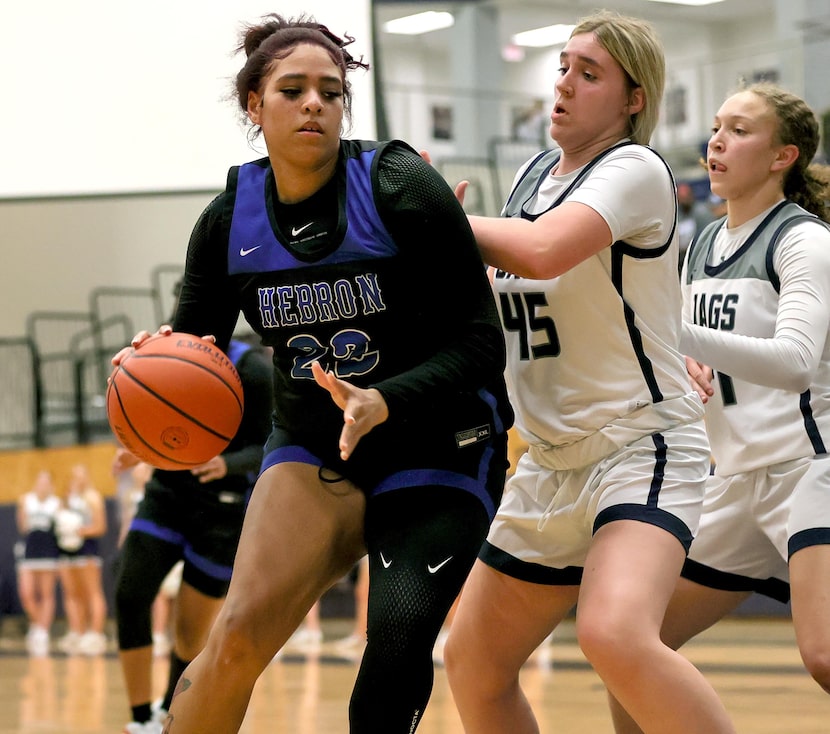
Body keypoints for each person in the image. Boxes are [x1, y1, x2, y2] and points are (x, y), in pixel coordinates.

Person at [113, 13, 512, 733]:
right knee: (234, 638)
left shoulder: (399, 185)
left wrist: (384, 400)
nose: (314, 104)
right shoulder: (229, 220)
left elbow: (483, 343)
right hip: (313, 444)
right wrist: (151, 371)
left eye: (330, 91)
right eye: (292, 90)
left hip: (438, 442)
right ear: (253, 105)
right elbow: (197, 350)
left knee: (393, 641)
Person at [439, 11, 735, 733]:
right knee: (471, 660)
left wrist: (425, 216)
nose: (565, 83)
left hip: (640, 446)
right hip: (549, 462)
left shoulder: (634, 168)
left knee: (614, 634)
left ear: (634, 100)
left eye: (589, 73)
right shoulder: (534, 175)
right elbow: (505, 285)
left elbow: (541, 252)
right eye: (563, 67)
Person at [608, 84, 830, 733]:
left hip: (809, 470)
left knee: (822, 655)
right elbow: (689, 347)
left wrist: (675, 335)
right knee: (630, 654)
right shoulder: (701, 241)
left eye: (739, 129)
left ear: (783, 154)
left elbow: (791, 361)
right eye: (715, 127)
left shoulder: (804, 242)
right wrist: (684, 357)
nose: (717, 141)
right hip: (731, 480)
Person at [114, 334, 274, 734]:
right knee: (129, 592)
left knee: (189, 636)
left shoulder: (254, 370)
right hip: (167, 494)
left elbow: (275, 440)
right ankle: (139, 720)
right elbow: (152, 412)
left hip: (221, 510)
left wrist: (230, 463)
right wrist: (140, 444)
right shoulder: (164, 349)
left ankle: (168, 715)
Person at [54, 463, 109, 656]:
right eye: (74, 476)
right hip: (66, 551)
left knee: (92, 591)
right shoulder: (65, 499)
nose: (77, 479)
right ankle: (77, 631)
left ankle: (95, 634)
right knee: (71, 593)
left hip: (87, 550)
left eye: (81, 475)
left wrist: (79, 531)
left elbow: (100, 526)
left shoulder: (92, 498)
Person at [15, 469, 61, 656]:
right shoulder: (26, 500)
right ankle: (37, 623)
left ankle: (42, 630)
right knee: (26, 593)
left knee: (46, 593)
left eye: (46, 482)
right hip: (30, 551)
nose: (43, 485)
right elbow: (22, 527)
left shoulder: (56, 503)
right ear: (36, 483)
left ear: (50, 484)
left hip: (49, 551)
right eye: (40, 481)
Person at [676, 181, 715, 267]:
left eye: (686, 196)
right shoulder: (676, 214)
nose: (684, 199)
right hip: (680, 257)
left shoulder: (702, 212)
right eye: (681, 197)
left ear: (691, 195)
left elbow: (708, 238)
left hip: (699, 256)